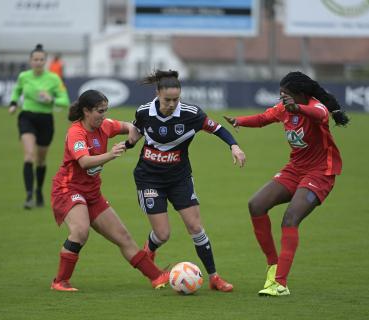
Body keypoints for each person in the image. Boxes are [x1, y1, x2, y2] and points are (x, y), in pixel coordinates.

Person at [223, 71, 350, 297]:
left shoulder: (315, 107)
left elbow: (319, 113)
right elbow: (263, 119)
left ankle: (280, 283)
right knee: (256, 204)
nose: (283, 100)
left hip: (321, 172)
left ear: (300, 95)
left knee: (290, 218)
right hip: (295, 169)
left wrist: (297, 109)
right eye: (281, 95)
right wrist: (239, 121)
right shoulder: (284, 109)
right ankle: (273, 265)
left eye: (287, 96)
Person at [126, 69, 246, 293]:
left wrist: (234, 146)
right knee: (163, 234)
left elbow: (218, 129)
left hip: (179, 178)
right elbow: (137, 131)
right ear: (157, 94)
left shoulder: (192, 114)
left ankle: (214, 277)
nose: (172, 104)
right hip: (149, 178)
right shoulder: (144, 111)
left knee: (195, 226)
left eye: (176, 99)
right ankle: (150, 250)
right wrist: (128, 143)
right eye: (167, 99)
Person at [50, 89, 170, 291]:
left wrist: (142, 131)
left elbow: (131, 127)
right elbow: (85, 162)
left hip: (92, 193)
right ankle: (60, 281)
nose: (103, 115)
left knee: (123, 237)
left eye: (105, 110)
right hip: (68, 189)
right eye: (99, 111)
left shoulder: (105, 126)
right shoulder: (76, 133)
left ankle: (158, 277)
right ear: (86, 111)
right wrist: (111, 154)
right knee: (80, 230)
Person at [8, 44, 70, 209]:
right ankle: (28, 195)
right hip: (27, 117)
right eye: (35, 59)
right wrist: (13, 104)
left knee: (41, 160)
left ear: (45, 61)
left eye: (41, 59)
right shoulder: (24, 76)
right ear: (30, 61)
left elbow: (65, 101)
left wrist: (51, 99)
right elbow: (17, 91)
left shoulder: (54, 79)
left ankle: (39, 190)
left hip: (45, 120)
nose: (38, 62)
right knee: (29, 155)